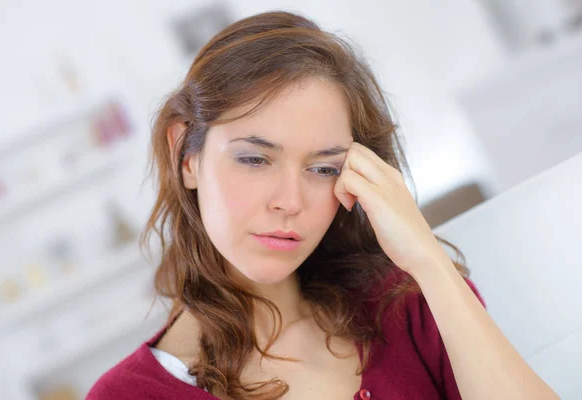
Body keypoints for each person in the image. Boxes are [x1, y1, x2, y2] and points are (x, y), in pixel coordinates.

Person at [87, 10, 559, 400]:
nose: (290, 202)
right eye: (254, 159)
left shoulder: (411, 305)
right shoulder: (128, 394)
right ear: (186, 155)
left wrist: (429, 261)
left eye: (323, 168)